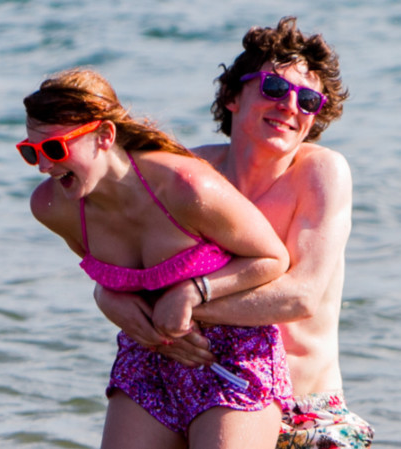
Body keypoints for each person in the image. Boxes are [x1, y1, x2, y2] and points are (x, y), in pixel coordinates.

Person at [95, 17, 374, 449]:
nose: (290, 106)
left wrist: (189, 298)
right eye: (275, 88)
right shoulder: (189, 172)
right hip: (184, 386)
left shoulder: (321, 172)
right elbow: (121, 267)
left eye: (309, 100)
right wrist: (111, 298)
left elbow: (300, 297)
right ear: (231, 96)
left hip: (300, 408)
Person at [17, 67, 293, 449]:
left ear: (104, 136)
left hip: (231, 357)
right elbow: (105, 277)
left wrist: (195, 291)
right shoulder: (52, 206)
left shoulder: (186, 186)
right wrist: (109, 300)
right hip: (147, 357)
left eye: (54, 148)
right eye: (31, 153)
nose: (44, 166)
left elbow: (273, 259)